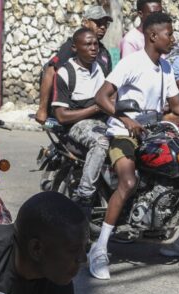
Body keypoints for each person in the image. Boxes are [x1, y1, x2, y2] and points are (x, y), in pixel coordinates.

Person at [90, 12, 179, 280]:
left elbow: (177, 106)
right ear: (153, 36)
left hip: (154, 133)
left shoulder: (166, 67)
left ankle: (170, 237)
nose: (173, 39)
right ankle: (100, 247)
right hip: (123, 134)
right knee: (128, 183)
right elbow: (101, 96)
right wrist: (125, 119)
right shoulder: (132, 63)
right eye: (169, 34)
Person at [52, 28, 109, 210]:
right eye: (88, 44)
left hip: (101, 122)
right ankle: (84, 194)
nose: (94, 48)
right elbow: (61, 116)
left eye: (95, 44)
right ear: (75, 48)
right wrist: (95, 108)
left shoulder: (99, 68)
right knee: (100, 143)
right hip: (76, 126)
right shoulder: (66, 73)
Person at [35, 5, 113, 124]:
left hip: (98, 110)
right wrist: (42, 110)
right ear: (85, 22)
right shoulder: (72, 47)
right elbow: (50, 71)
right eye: (98, 23)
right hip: (74, 110)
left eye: (105, 24)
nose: (102, 27)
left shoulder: (103, 52)